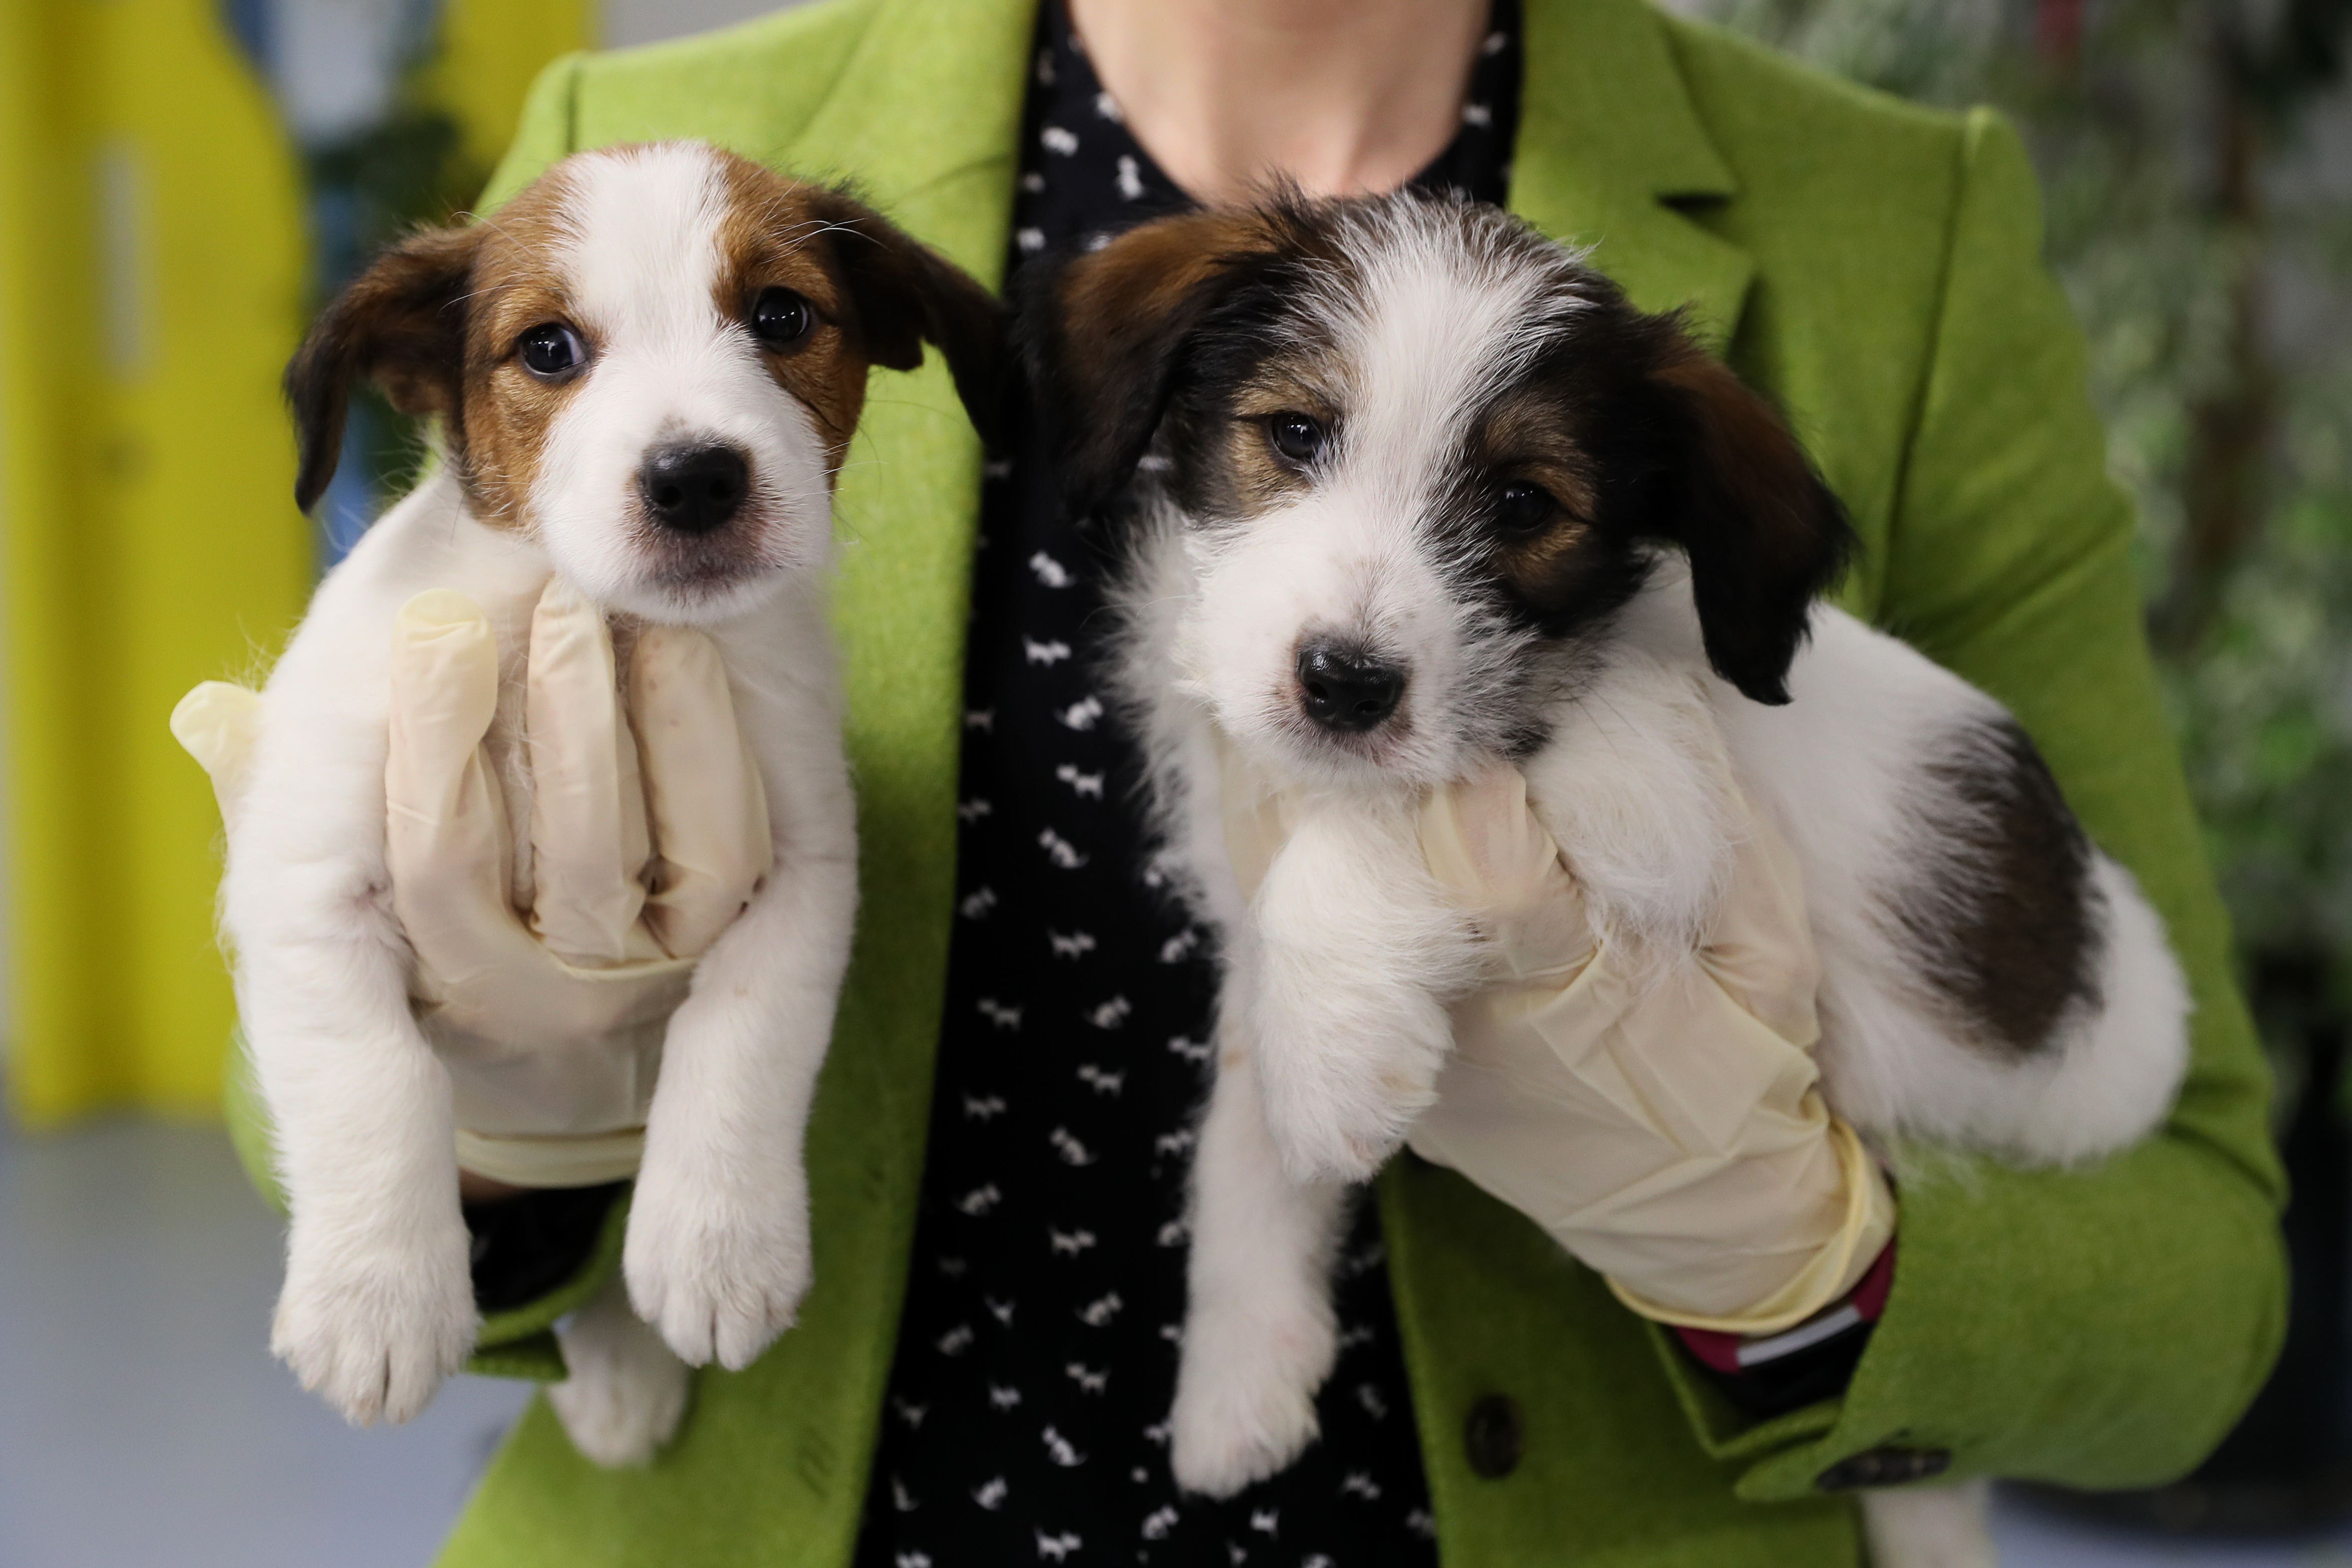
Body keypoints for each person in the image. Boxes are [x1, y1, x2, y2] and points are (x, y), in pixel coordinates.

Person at [204, 0, 2287, 1562]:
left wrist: (1805, 1264)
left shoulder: (1893, 234)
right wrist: (508, 1118)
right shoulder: (643, 165)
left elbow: (2199, 1290)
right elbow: (312, 1098)